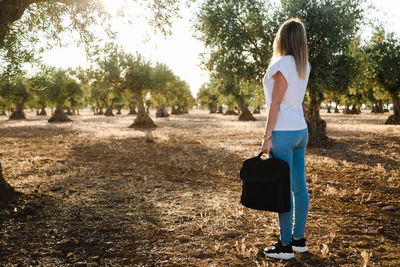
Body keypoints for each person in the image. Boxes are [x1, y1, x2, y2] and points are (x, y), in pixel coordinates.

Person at [261, 18, 311, 260]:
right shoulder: (304, 65)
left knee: (283, 190)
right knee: (299, 188)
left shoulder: (283, 64)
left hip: (283, 133)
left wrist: (267, 136)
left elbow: (276, 104)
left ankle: (284, 246)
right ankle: (298, 240)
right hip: (301, 131)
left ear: (283, 38)